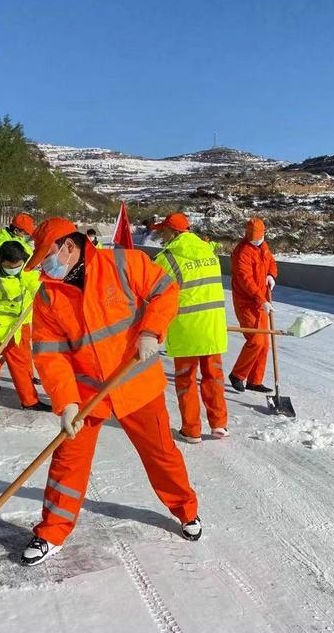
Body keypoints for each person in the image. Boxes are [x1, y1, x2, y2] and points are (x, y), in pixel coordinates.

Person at [20, 218, 202, 566]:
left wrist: (151, 330)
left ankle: (186, 510)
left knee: (161, 453)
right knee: (67, 460)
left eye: (47, 256)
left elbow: (166, 290)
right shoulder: (47, 295)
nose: (44, 265)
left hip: (136, 383)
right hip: (88, 393)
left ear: (69, 247)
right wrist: (67, 403)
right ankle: (52, 531)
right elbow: (50, 354)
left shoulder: (123, 264)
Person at [151, 213, 229, 443]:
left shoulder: (168, 258)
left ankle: (191, 430)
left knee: (186, 379)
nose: (160, 235)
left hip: (186, 328)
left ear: (173, 232)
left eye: (163, 231)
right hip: (212, 326)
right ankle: (219, 424)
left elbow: (154, 291)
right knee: (213, 376)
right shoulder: (208, 251)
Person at [0, 240, 52, 424]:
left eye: (17, 266)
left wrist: (44, 295)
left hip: (19, 321)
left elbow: (34, 283)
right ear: (0, 261)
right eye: (8, 267)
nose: (13, 269)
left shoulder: (25, 263)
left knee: (22, 362)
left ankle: (30, 400)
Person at [229, 217, 278, 393]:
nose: (257, 240)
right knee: (256, 341)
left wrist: (271, 274)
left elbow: (271, 261)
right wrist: (261, 299)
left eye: (259, 237)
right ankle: (237, 375)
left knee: (265, 343)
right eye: (254, 237)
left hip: (261, 301)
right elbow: (246, 281)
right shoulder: (242, 252)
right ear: (247, 234)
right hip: (246, 302)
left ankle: (255, 381)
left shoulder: (263, 247)